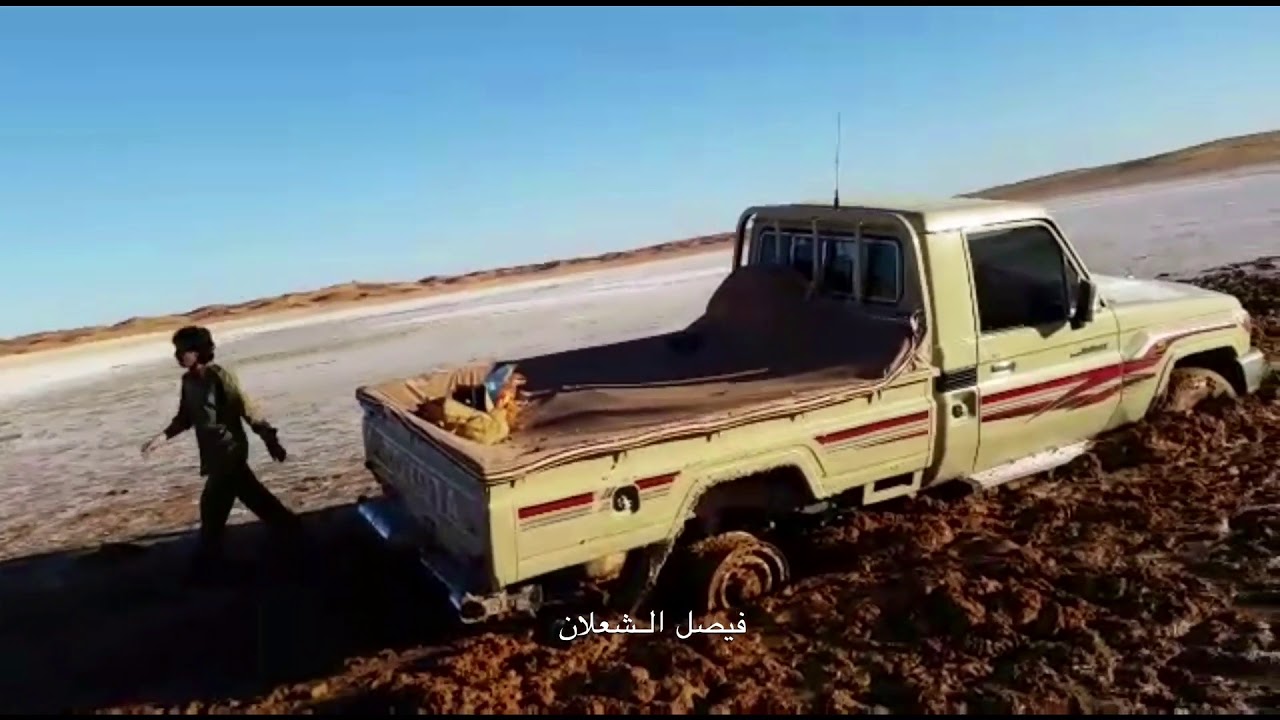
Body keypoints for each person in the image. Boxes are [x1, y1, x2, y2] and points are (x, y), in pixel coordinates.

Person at [141, 325, 301, 578]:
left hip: (230, 450)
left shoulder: (219, 377)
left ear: (199, 351)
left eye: (183, 350)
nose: (178, 356)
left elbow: (246, 409)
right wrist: (161, 438)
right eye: (177, 350)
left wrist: (270, 438)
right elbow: (185, 418)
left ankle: (209, 563)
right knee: (254, 499)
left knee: (213, 507)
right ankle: (295, 535)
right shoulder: (188, 382)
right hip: (213, 455)